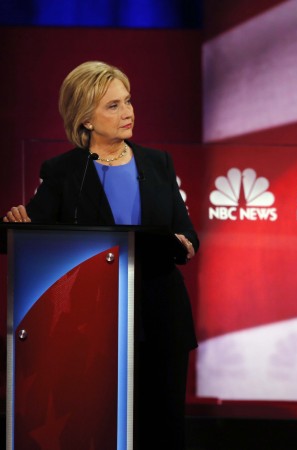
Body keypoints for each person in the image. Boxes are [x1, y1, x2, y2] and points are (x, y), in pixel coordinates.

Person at [3, 61, 198, 449]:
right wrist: (17, 221)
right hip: (92, 322)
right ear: (85, 119)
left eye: (128, 101)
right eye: (113, 105)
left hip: (160, 314)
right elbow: (35, 233)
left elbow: (187, 233)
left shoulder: (158, 163)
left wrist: (185, 243)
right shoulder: (62, 173)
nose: (127, 112)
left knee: (162, 426)